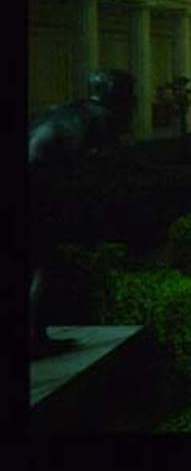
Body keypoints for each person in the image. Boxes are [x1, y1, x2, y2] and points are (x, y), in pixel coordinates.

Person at [28, 69, 134, 358]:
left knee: (37, 260)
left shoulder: (61, 111)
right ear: (113, 91)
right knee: (48, 264)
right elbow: (109, 175)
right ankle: (33, 338)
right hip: (37, 192)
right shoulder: (101, 117)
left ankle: (35, 336)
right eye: (129, 92)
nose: (133, 100)